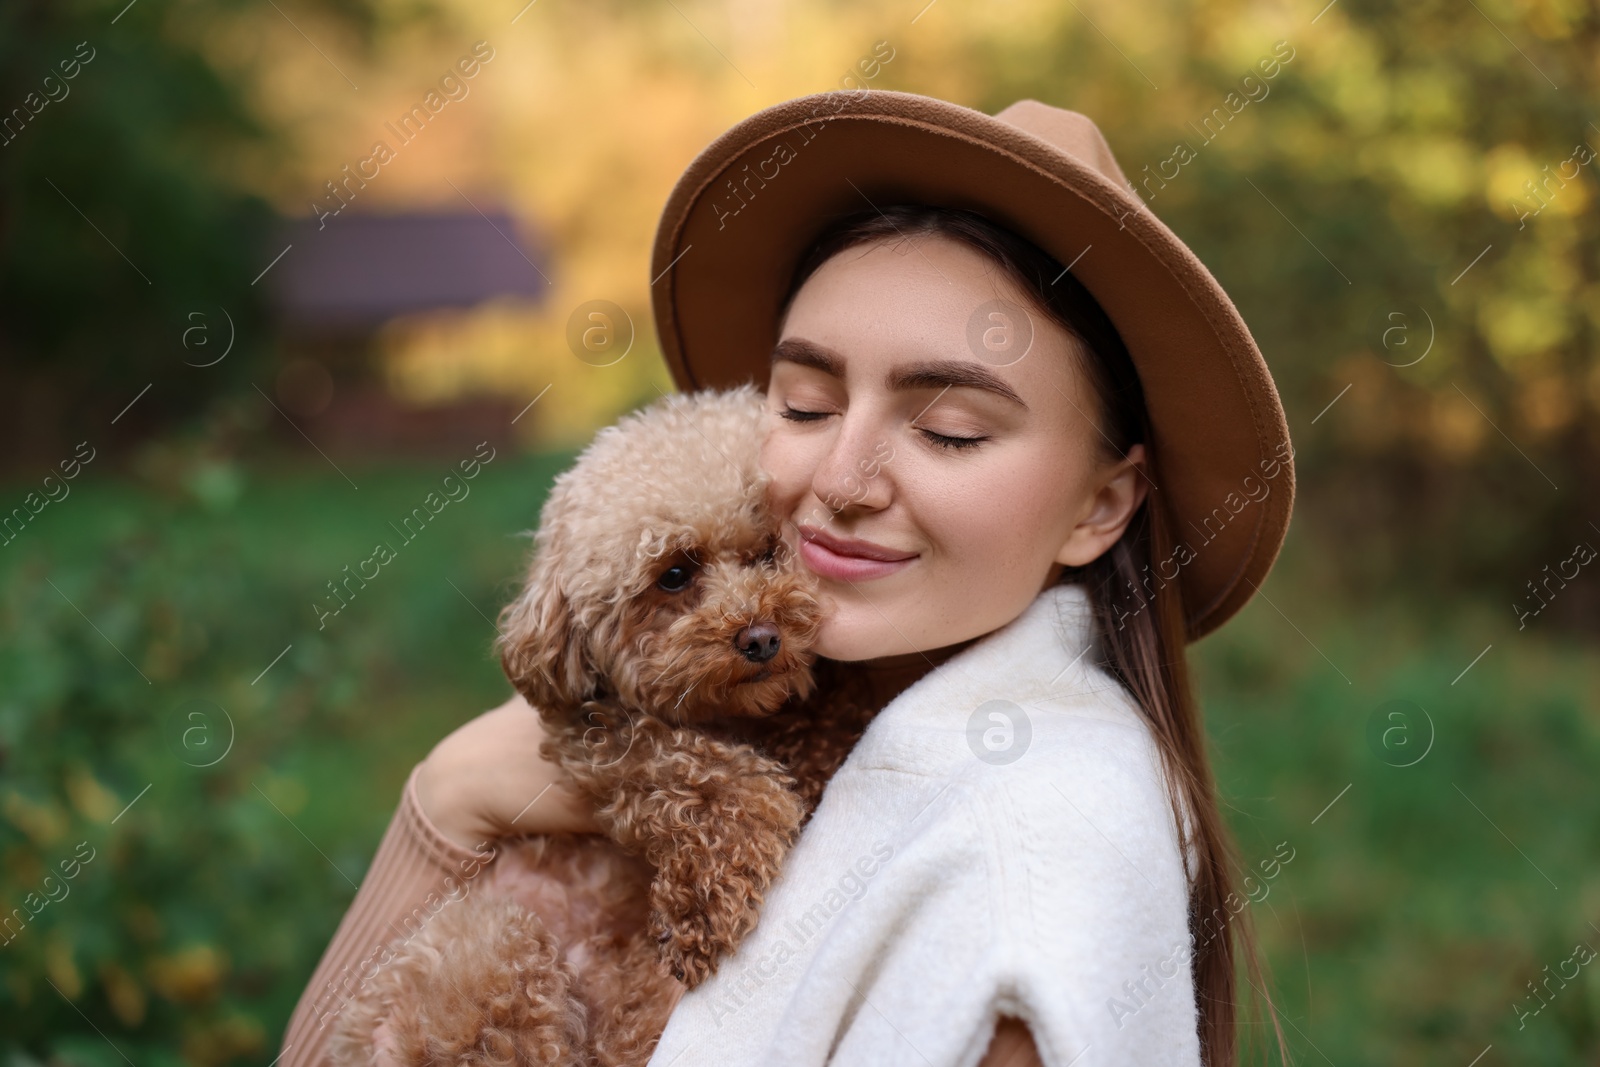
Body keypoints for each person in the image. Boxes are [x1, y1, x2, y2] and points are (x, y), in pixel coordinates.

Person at [278, 90, 1294, 1067]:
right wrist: (451, 802)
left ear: (1100, 505)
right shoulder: (755, 727)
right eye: (803, 404)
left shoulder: (1031, 866)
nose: (838, 483)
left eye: (949, 429)